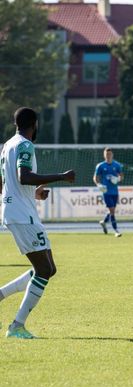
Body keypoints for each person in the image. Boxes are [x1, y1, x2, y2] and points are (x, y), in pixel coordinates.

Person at [0, 107, 75, 339]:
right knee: (43, 270)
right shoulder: (25, 145)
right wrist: (61, 176)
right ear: (34, 124)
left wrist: (34, 194)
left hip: (19, 210)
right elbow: (23, 177)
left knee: (49, 268)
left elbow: (8, 184)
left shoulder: (7, 146)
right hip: (23, 215)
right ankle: (17, 326)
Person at [93, 148, 124, 237]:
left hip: (115, 192)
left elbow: (122, 176)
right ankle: (116, 231)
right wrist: (99, 185)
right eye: (107, 154)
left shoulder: (117, 165)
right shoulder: (100, 166)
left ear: (112, 155)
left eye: (110, 154)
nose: (108, 156)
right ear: (104, 155)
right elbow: (95, 177)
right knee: (112, 211)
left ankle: (104, 222)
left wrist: (118, 179)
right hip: (106, 192)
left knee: (112, 210)